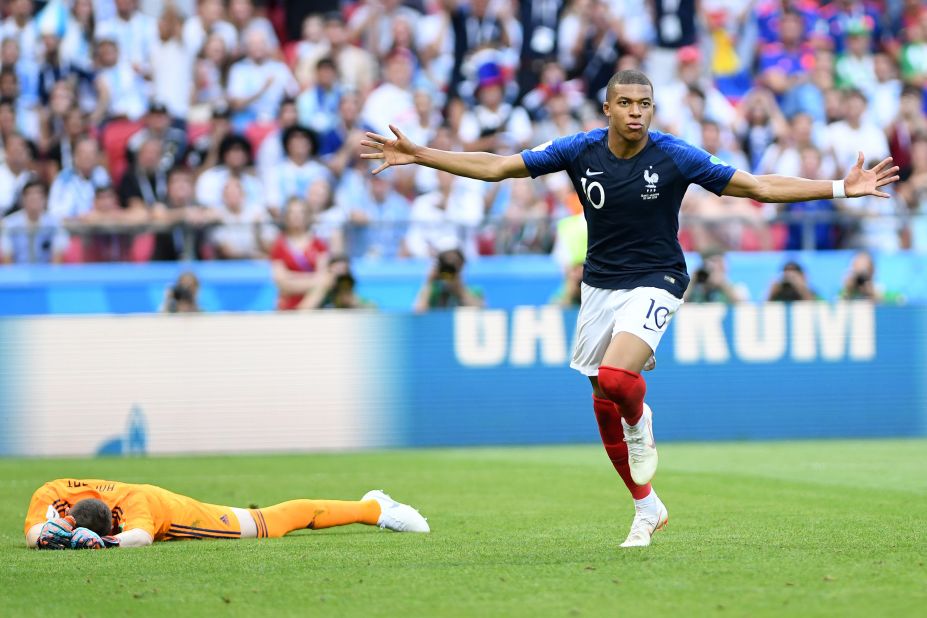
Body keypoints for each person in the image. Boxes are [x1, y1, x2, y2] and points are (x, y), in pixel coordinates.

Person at [361, 69, 900, 548]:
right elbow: (499, 166)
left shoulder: (675, 155)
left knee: (619, 380)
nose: (636, 112)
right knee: (600, 396)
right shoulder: (578, 150)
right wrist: (422, 153)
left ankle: (642, 421)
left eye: (645, 104)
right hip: (599, 286)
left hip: (660, 277)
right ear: (608, 108)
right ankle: (646, 504)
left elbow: (757, 185)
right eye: (626, 104)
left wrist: (839, 187)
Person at [25, 478, 429, 549]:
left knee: (271, 524)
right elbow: (33, 534)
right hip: (95, 521)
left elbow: (141, 536)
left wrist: (104, 544)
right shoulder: (50, 493)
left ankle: (374, 507)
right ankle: (371, 505)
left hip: (183, 513)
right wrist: (55, 533)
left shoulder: (134, 506)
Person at [412, 247, 483, 312]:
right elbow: (419, 312)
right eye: (446, 263)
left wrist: (460, 291)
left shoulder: (474, 290)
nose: (450, 269)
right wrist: (429, 282)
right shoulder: (433, 290)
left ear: (462, 266)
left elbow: (480, 312)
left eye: (455, 263)